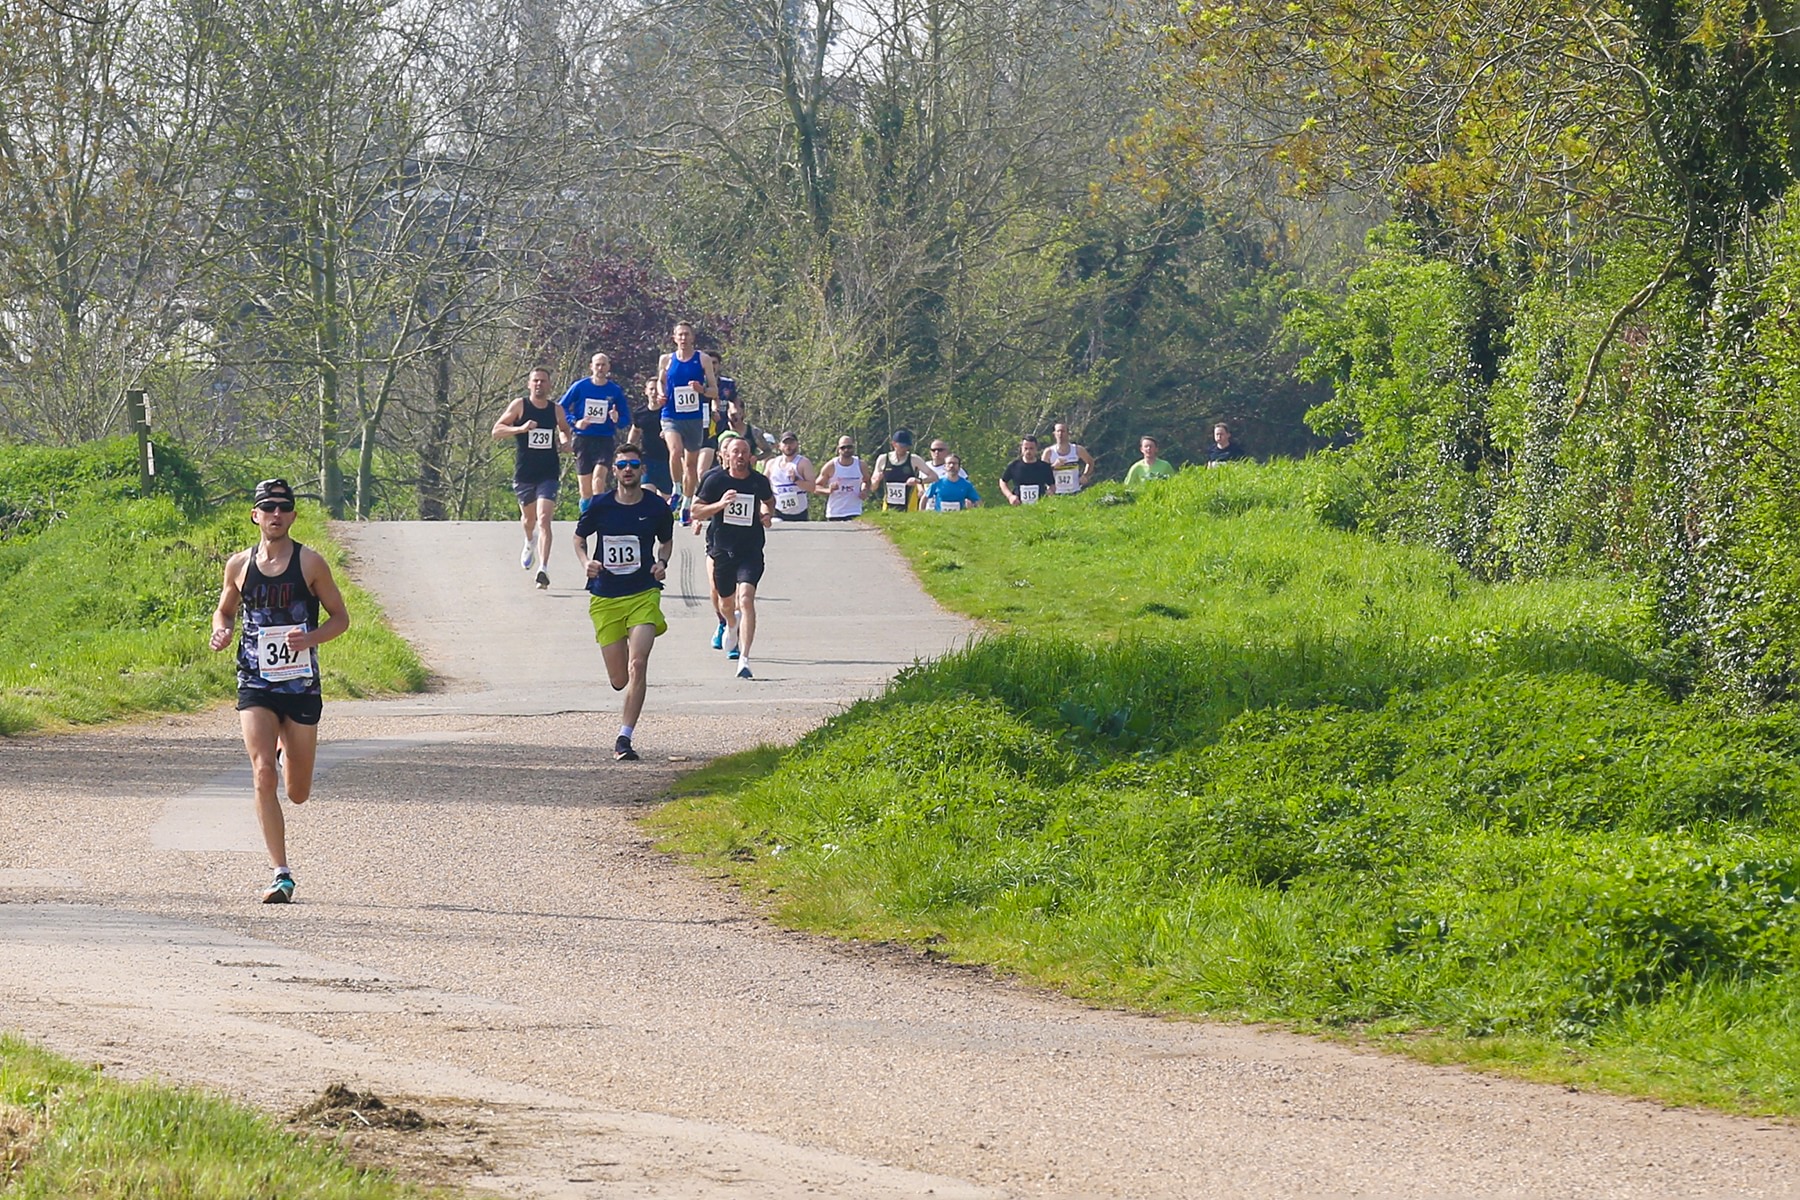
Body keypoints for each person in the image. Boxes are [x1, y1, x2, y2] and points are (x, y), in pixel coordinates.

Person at [209, 479, 351, 904]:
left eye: (283, 507)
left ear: (293, 516)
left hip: (299, 684)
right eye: (268, 507)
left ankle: (287, 751)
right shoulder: (239, 565)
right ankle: (281, 873)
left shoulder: (310, 563)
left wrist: (310, 639)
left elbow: (340, 618)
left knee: (298, 792)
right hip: (255, 680)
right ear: (255, 515)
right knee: (262, 773)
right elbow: (224, 611)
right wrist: (221, 631)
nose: (276, 514)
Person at [572, 443, 676, 761]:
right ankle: (625, 701)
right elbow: (578, 538)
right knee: (620, 679)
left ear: (642, 469)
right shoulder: (599, 506)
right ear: (614, 472)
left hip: (643, 593)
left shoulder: (656, 507)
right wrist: (585, 562)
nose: (627, 469)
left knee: (638, 663)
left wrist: (662, 562)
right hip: (606, 597)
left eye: (632, 464)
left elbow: (666, 541)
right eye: (621, 465)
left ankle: (624, 738)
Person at [691, 435, 775, 679]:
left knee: (746, 599)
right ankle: (730, 624)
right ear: (726, 456)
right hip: (723, 550)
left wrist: (766, 514)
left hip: (751, 550)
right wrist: (720, 504)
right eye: (735, 452)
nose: (740, 456)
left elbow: (769, 501)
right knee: (726, 604)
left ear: (750, 456)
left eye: (744, 452)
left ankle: (745, 659)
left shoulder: (758, 481)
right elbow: (695, 510)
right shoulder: (716, 480)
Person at [492, 366, 573, 589]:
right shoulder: (520, 405)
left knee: (544, 519)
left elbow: (565, 429)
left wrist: (565, 442)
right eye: (535, 381)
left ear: (549, 385)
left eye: (543, 381)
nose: (539, 384)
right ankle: (529, 541)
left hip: (549, 472)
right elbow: (496, 430)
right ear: (529, 384)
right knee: (529, 521)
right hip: (525, 473)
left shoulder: (556, 409)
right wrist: (520, 429)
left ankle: (543, 569)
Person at [656, 321, 720, 520]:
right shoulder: (666, 359)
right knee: (675, 451)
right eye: (680, 335)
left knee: (691, 465)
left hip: (694, 417)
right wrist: (660, 394)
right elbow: (660, 381)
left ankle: (686, 503)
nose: (683, 338)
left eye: (686, 334)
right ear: (674, 338)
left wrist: (702, 389)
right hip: (671, 415)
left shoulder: (703, 359)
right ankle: (676, 489)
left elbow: (714, 391)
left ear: (692, 337)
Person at [559, 352, 630, 507]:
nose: (600, 368)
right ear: (591, 366)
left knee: (598, 479)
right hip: (583, 439)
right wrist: (575, 422)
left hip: (604, 439)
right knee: (585, 489)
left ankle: (599, 513)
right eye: (597, 365)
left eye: (603, 365)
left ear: (608, 367)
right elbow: (561, 407)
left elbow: (625, 419)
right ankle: (586, 513)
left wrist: (617, 419)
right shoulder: (580, 386)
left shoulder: (614, 390)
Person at [868, 429, 937, 513]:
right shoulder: (883, 459)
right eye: (902, 446)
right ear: (894, 444)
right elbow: (872, 488)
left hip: (909, 506)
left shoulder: (914, 459)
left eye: (907, 446)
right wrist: (876, 481)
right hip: (888, 506)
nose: (905, 449)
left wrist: (919, 481)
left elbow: (934, 477)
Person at [766, 431, 816, 522]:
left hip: (799, 513)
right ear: (779, 445)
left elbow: (812, 487)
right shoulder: (771, 464)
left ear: (797, 444)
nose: (788, 446)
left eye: (791, 443)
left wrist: (796, 480)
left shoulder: (803, 463)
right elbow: (763, 485)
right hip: (778, 512)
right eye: (785, 443)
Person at [815, 436, 867, 520]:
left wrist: (864, 490)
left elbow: (867, 481)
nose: (846, 450)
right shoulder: (831, 466)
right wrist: (828, 490)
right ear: (838, 449)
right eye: (843, 447)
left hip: (855, 511)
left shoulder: (861, 465)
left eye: (849, 447)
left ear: (853, 447)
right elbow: (815, 487)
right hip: (835, 513)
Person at [999, 434, 1056, 506]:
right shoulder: (1014, 465)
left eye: (1031, 448)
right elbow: (1003, 481)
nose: (1028, 451)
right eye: (1026, 448)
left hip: (1040, 505)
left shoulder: (1044, 467)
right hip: (1019, 505)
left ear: (1036, 449)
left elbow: (1052, 485)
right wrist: (1010, 496)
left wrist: (1050, 492)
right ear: (1021, 448)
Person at [1043, 421, 1096, 495]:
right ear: (1054, 434)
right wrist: (1054, 466)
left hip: (1074, 492)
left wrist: (1085, 475)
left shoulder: (1077, 449)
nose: (1060, 434)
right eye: (1058, 431)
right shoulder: (1049, 452)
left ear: (1068, 433)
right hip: (1055, 493)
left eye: (1063, 431)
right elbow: (1042, 472)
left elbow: (1090, 462)